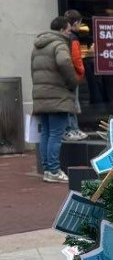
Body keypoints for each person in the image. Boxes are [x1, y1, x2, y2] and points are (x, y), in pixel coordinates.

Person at [31, 16, 79, 182]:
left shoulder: (37, 47)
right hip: (57, 96)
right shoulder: (59, 44)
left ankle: (47, 169)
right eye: (68, 30)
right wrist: (73, 81)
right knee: (56, 134)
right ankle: (53, 170)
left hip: (41, 95)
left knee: (46, 132)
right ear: (62, 30)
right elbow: (64, 62)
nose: (69, 33)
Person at [62, 10, 87, 136]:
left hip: (64, 76)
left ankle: (72, 128)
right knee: (73, 103)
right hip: (73, 75)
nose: (80, 26)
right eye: (80, 23)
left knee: (68, 103)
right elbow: (76, 59)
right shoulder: (74, 38)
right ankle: (73, 129)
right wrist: (81, 73)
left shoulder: (63, 37)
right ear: (76, 23)